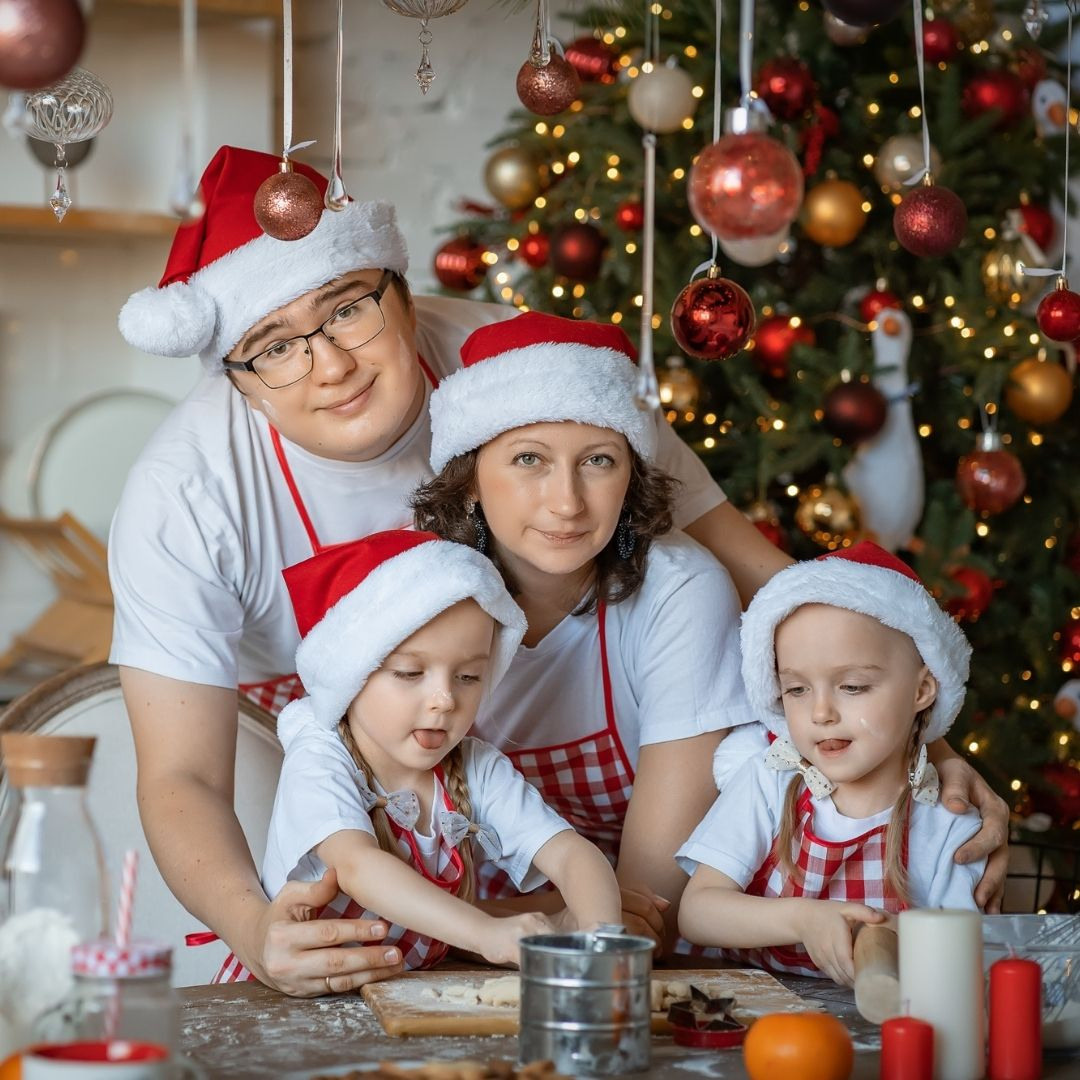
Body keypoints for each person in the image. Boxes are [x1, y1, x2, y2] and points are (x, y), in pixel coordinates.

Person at [110, 145, 1007, 996]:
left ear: (403, 291)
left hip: (592, 896)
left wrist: (916, 739)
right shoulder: (186, 496)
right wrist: (254, 928)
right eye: (275, 344)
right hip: (373, 887)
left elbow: (776, 584)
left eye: (348, 307)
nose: (331, 362)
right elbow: (181, 775)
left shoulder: (539, 374)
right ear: (236, 376)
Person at [414, 312, 759, 952]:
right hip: (460, 950)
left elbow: (650, 902)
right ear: (468, 482)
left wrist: (520, 921)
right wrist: (515, 922)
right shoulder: (412, 601)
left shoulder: (681, 591)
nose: (567, 502)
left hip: (655, 961)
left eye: (598, 461)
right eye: (529, 460)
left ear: (631, 476)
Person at [216, 529, 621, 981]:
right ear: (351, 676)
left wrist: (603, 941)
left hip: (399, 998)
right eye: (410, 673)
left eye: (469, 677)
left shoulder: (475, 768)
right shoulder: (321, 756)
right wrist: (487, 933)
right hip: (294, 1002)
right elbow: (358, 866)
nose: (445, 700)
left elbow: (572, 856)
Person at [676, 542, 984, 986]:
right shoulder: (770, 780)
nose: (821, 713)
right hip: (750, 1012)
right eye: (797, 690)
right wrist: (804, 919)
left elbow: (961, 951)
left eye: (853, 686)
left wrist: (890, 936)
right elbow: (698, 911)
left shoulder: (947, 823)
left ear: (921, 690)